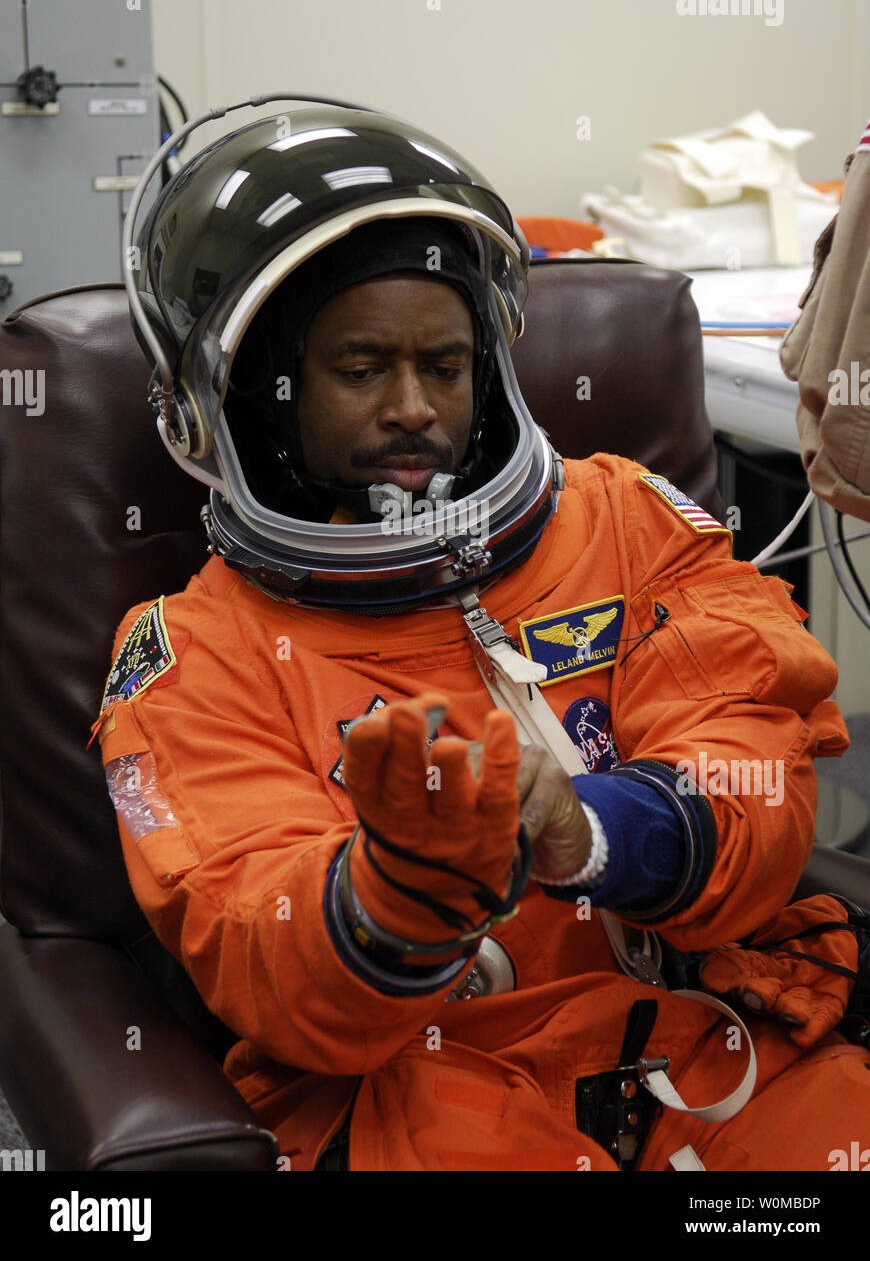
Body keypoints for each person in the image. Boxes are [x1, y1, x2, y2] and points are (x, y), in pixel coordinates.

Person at [93, 102, 870, 1172]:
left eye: (446, 367)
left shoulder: (628, 520)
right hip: (424, 1091)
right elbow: (253, 942)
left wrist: (587, 829)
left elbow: (758, 770)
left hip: (705, 1047)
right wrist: (399, 889)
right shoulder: (194, 655)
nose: (414, 407)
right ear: (244, 399)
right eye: (361, 369)